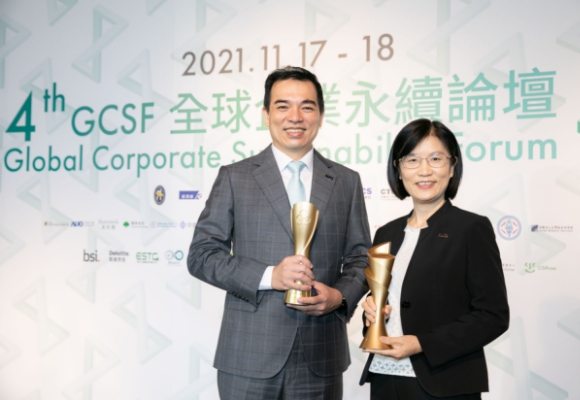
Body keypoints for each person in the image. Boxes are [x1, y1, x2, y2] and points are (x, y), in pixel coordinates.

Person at [187, 66, 371, 399]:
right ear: (266, 114)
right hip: (249, 356)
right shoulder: (235, 177)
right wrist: (270, 276)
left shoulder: (346, 181)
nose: (295, 117)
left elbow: (361, 258)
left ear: (321, 115)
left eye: (307, 106)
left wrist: (340, 297)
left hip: (321, 356)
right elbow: (202, 255)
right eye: (283, 106)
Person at [359, 119, 509, 399]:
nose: (424, 170)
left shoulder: (471, 228)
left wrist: (422, 343)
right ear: (398, 169)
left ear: (452, 167)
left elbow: (493, 316)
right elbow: (387, 298)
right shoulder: (386, 233)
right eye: (412, 160)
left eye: (436, 159)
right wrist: (371, 310)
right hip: (384, 378)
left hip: (444, 383)